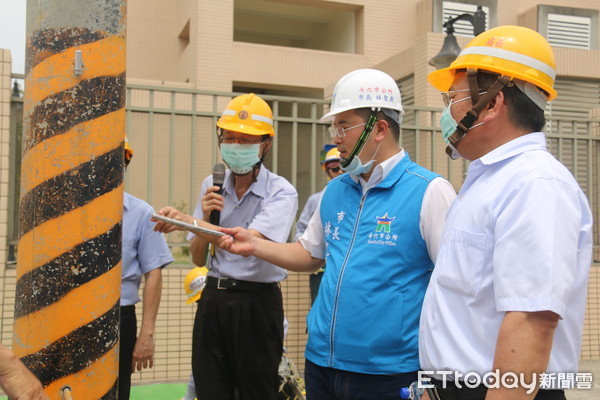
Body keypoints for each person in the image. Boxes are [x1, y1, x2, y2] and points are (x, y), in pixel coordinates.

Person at [217, 69, 457, 400]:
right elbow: (309, 253)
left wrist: (438, 376)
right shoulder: (335, 191)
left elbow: (454, 285)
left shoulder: (429, 192)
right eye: (334, 127)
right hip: (321, 366)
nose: (336, 137)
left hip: (391, 372)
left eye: (343, 126)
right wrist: (255, 245)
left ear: (379, 129)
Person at [419, 25, 593, 400]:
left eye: (453, 98)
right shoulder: (490, 179)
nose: (447, 112)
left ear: (493, 103)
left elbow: (532, 320)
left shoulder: (535, 185)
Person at [154, 93, 298, 400]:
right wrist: (203, 217)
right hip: (213, 299)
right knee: (210, 388)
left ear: (265, 144)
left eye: (246, 140)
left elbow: (245, 243)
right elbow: (197, 258)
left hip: (256, 304)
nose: (236, 145)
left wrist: (186, 221)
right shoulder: (213, 183)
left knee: (256, 391)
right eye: (229, 137)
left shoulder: (281, 192)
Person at [119, 140, 174, 400]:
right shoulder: (69, 213)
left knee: (117, 392)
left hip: (120, 318)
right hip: (71, 316)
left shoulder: (141, 213)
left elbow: (154, 271)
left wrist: (146, 335)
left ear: (125, 164)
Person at [294, 144, 344, 304]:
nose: (341, 172)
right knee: (319, 310)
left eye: (345, 166)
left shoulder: (364, 198)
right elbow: (301, 230)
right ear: (327, 171)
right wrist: (309, 255)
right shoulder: (316, 200)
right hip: (321, 272)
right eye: (335, 168)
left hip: (349, 271)